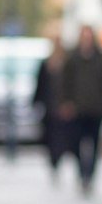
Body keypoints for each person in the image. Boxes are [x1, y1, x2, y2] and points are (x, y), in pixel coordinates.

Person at [59, 26, 102, 196]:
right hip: (77, 109)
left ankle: (90, 175)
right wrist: (66, 102)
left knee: (95, 144)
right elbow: (65, 83)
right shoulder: (72, 58)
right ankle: (81, 173)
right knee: (76, 143)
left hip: (96, 108)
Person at [33, 36, 71, 183]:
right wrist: (36, 102)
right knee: (49, 137)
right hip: (49, 107)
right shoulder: (46, 63)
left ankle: (58, 159)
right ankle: (53, 161)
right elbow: (39, 84)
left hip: (63, 108)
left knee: (61, 138)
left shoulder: (67, 63)